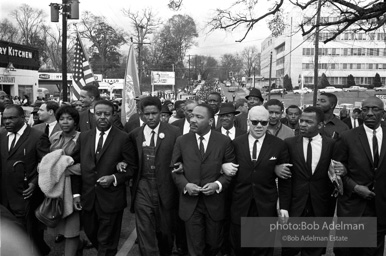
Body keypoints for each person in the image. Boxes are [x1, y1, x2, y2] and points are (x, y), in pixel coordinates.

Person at [71, 100, 136, 255]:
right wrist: (76, 194)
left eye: (106, 114)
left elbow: (132, 167)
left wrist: (114, 178)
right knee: (92, 232)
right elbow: (75, 167)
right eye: (98, 113)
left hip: (111, 200)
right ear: (93, 114)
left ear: (113, 116)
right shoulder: (84, 137)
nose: (102, 117)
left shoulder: (123, 138)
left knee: (106, 241)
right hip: (88, 198)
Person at [171, 103, 235, 256]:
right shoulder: (181, 141)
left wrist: (217, 184)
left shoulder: (224, 141)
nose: (193, 120)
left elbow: (230, 171)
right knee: (195, 248)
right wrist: (186, 185)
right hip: (190, 204)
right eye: (192, 115)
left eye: (199, 117)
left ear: (211, 121)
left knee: (214, 245)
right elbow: (173, 169)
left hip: (214, 203)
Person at [227, 105, 290, 256]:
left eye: (264, 122)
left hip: (266, 205)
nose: (259, 126)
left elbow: (285, 179)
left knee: (264, 249)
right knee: (240, 248)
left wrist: (284, 207)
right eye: (255, 122)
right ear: (248, 121)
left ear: (269, 123)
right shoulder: (236, 143)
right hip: (240, 204)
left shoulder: (279, 145)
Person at [279, 106, 339, 256]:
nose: (303, 124)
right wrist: (284, 207)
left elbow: (334, 175)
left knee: (315, 248)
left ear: (320, 125)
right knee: (290, 248)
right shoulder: (290, 143)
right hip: (295, 205)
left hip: (320, 206)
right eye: (302, 120)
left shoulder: (331, 145)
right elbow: (286, 179)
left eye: (308, 122)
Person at [334, 96, 386, 256]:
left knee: (373, 250)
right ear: (360, 113)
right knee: (347, 251)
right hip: (353, 206)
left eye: (374, 109)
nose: (370, 113)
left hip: (380, 207)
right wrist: (355, 187)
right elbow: (335, 172)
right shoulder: (347, 137)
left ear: (383, 113)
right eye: (365, 109)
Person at [128, 97, 181, 256]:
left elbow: (182, 157)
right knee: (145, 231)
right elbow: (129, 160)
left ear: (161, 113)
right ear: (141, 114)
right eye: (147, 114)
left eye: (154, 113)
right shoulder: (134, 135)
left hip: (166, 188)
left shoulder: (174, 133)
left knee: (165, 232)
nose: (151, 117)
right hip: (143, 188)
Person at [0, 104, 51, 255]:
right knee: (10, 233)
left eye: (11, 118)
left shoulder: (37, 136)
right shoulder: (1, 134)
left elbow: (45, 165)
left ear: (22, 118)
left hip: (26, 196)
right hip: (4, 196)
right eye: (4, 118)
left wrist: (34, 183)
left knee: (29, 233)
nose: (7, 122)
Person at [39, 105, 82, 256]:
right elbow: (46, 162)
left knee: (72, 228)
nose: (65, 122)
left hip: (73, 189)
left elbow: (84, 167)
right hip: (55, 188)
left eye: (69, 119)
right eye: (62, 119)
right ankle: (80, 246)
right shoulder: (55, 137)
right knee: (59, 226)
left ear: (75, 121)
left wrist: (58, 169)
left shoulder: (82, 138)